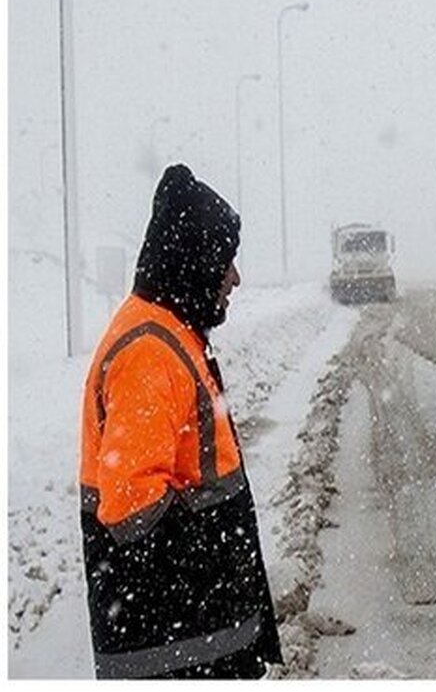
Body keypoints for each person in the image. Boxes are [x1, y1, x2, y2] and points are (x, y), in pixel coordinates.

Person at [78, 164, 282, 679]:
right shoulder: (149, 350)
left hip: (192, 644)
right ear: (196, 260)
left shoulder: (172, 332)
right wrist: (215, 567)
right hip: (177, 652)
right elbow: (131, 508)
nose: (235, 277)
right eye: (226, 260)